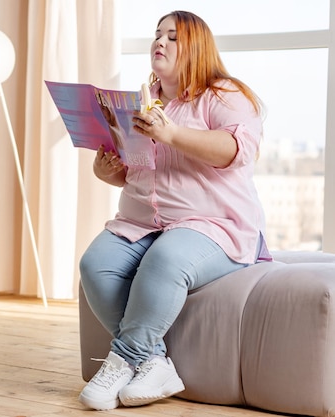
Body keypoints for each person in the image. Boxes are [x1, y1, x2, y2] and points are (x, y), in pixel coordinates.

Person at [78, 10, 271, 410]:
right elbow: (144, 175)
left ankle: (123, 360)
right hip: (144, 223)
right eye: (157, 35)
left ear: (196, 48)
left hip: (214, 225)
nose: (159, 42)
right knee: (95, 264)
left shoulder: (225, 95)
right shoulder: (144, 102)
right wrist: (108, 172)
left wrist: (172, 133)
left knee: (166, 260)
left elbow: (235, 152)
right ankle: (153, 361)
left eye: (172, 37)